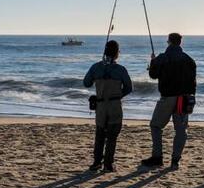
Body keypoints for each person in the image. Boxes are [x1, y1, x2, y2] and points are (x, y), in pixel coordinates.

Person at [142, 33, 196, 168]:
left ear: (169, 42)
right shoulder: (189, 60)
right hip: (184, 98)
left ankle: (157, 157)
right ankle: (175, 160)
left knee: (155, 126)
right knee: (181, 131)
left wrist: (153, 62)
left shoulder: (162, 58)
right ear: (180, 43)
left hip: (167, 98)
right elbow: (193, 82)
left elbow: (153, 75)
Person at [83, 40, 133, 172]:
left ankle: (96, 163)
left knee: (100, 134)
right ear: (117, 53)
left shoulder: (95, 67)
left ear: (104, 52)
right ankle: (108, 164)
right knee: (112, 135)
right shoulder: (121, 70)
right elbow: (129, 88)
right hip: (115, 104)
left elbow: (86, 83)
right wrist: (118, 95)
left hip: (100, 105)